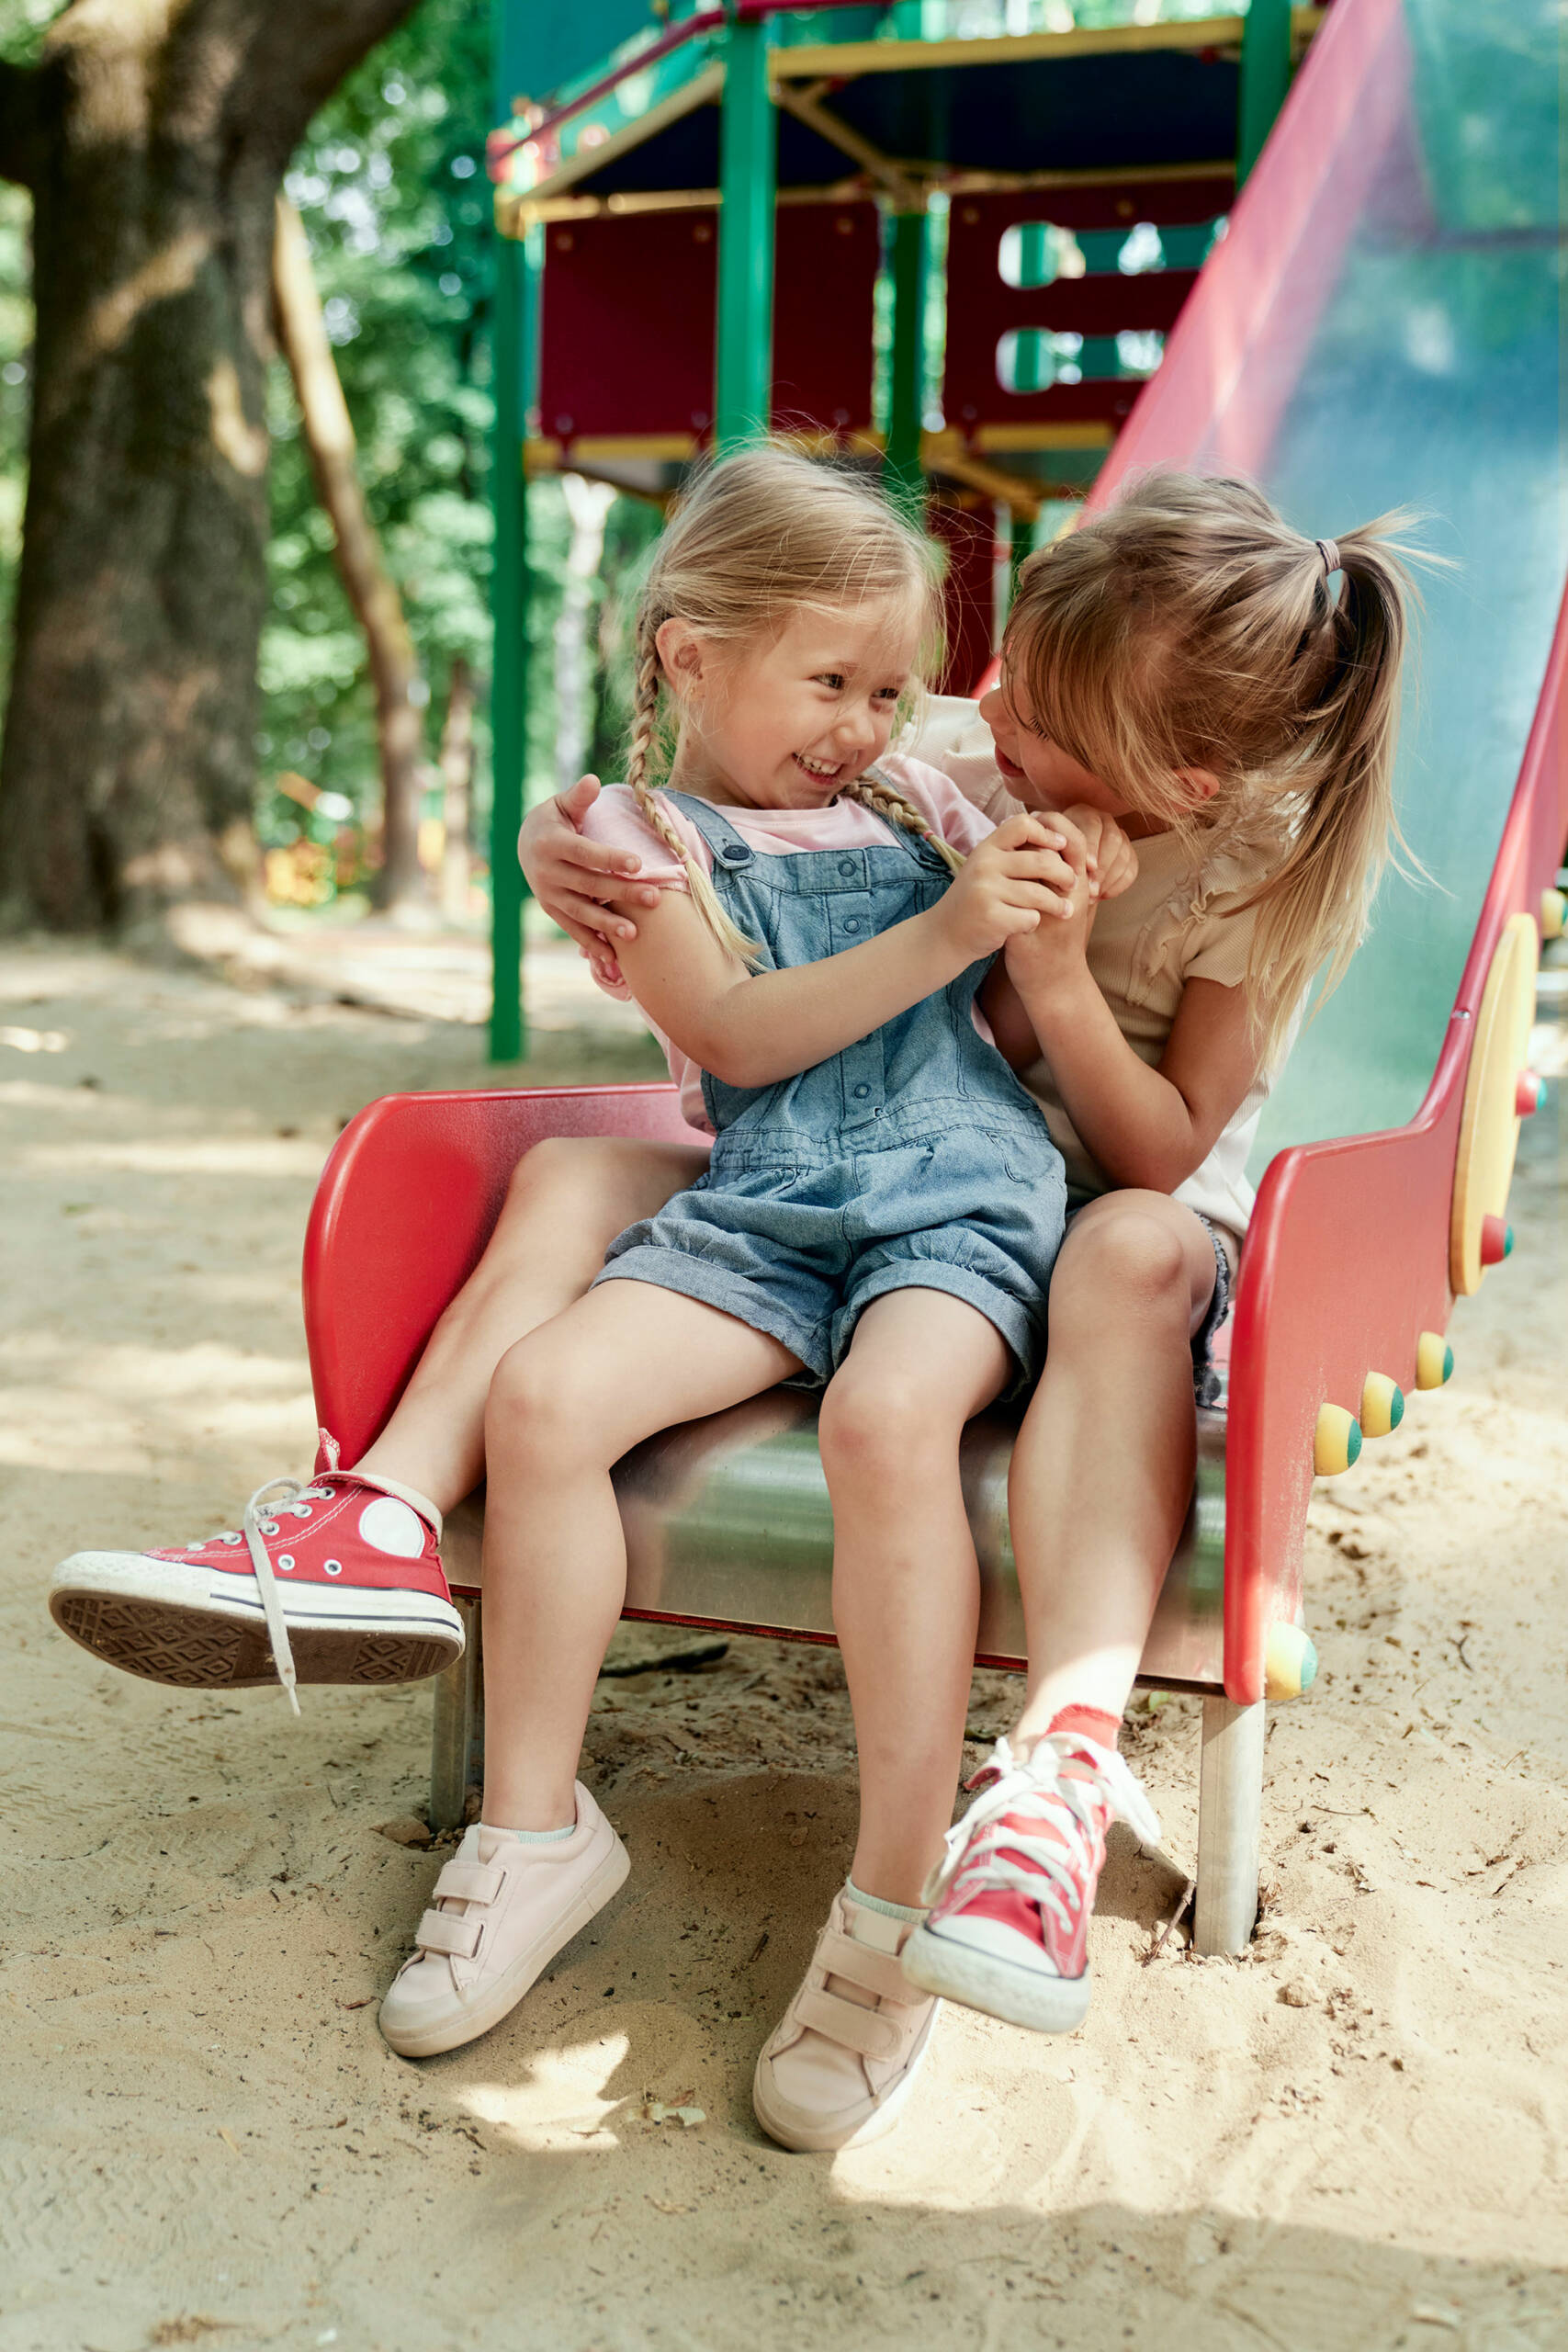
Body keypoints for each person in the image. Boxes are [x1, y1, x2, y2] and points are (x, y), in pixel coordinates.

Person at [50, 458, 1415, 2154]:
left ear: (1181, 779)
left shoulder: (1236, 862)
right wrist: (585, 838)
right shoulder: (964, 766)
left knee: (980, 1344)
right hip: (815, 1174)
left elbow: (1161, 1146)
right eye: (970, 685)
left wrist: (1051, 976)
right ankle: (396, 1544)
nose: (980, 715)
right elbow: (738, 845)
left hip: (1068, 1209)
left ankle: (937, 1864)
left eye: (1032, 711)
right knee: (564, 1231)